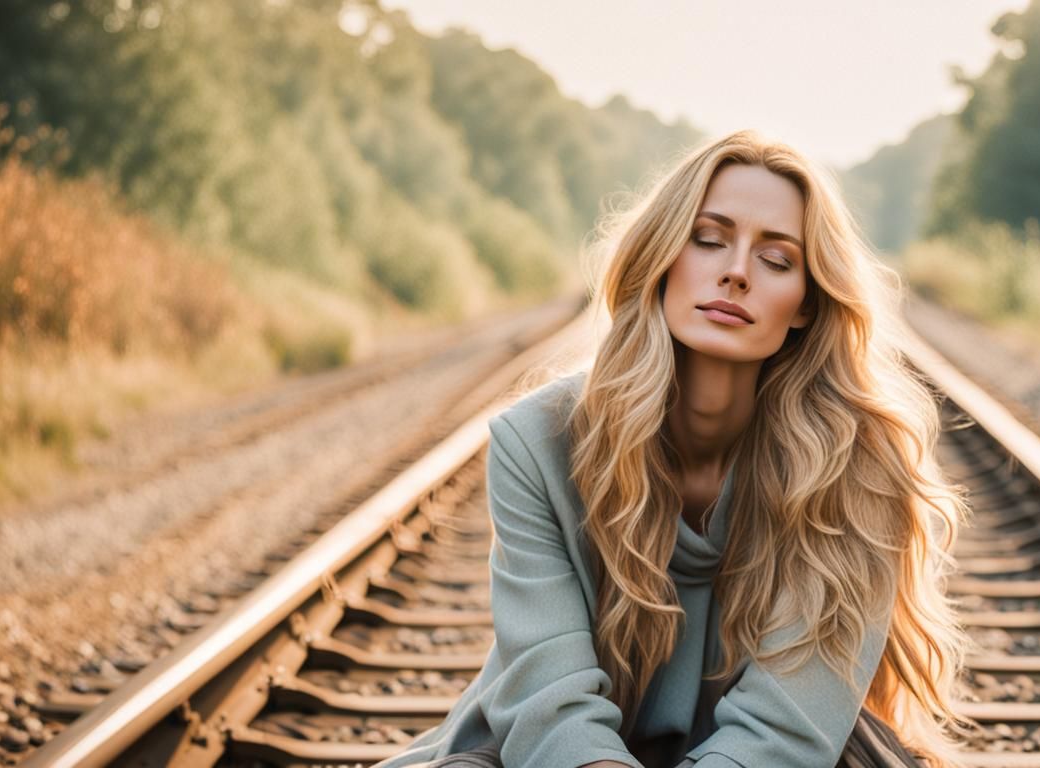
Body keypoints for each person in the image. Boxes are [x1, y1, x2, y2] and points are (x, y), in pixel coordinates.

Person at [372, 130, 974, 768]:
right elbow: (549, 698)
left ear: (806, 305)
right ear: (661, 258)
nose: (736, 272)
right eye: (708, 240)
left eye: (776, 260)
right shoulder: (537, 441)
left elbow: (789, 727)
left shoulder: (860, 466)